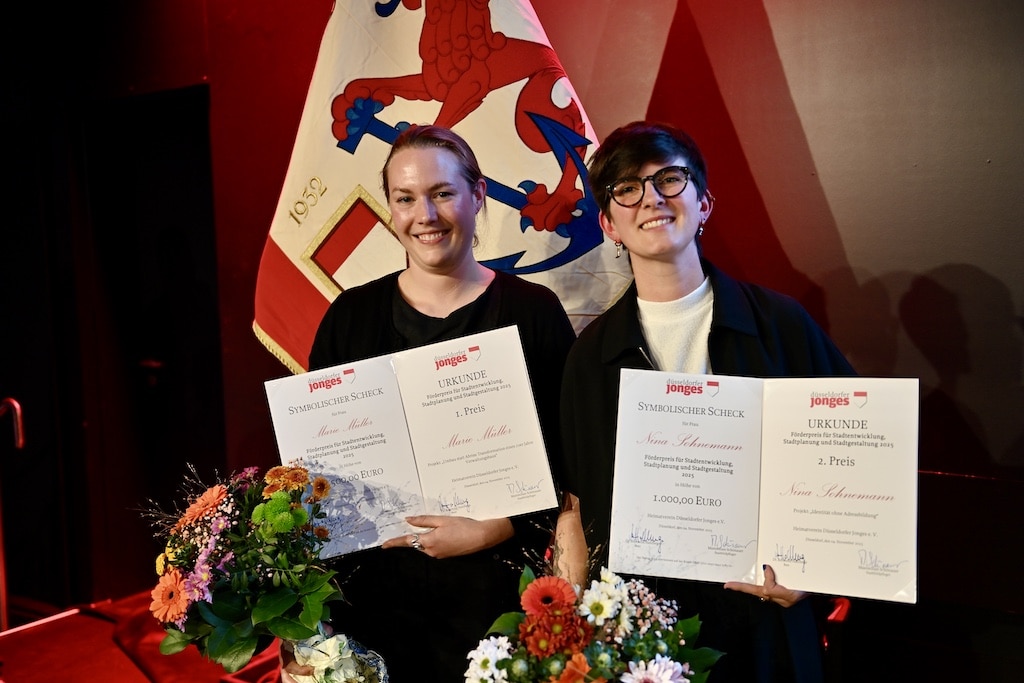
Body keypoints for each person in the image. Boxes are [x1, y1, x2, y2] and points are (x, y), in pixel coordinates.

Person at [555, 121, 857, 683]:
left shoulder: (780, 324)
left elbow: (852, 462)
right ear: (608, 224)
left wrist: (815, 571)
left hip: (764, 613)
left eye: (669, 179)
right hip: (644, 627)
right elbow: (575, 504)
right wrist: (567, 629)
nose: (651, 199)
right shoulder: (590, 358)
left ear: (704, 203)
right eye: (627, 189)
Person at [282, 124, 576, 681]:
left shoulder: (534, 313)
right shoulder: (350, 317)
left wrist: (496, 527)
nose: (426, 215)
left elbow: (567, 458)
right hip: (371, 605)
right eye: (406, 198)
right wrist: (299, 629)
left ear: (478, 195)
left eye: (443, 193)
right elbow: (313, 474)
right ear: (390, 208)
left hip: (497, 602)